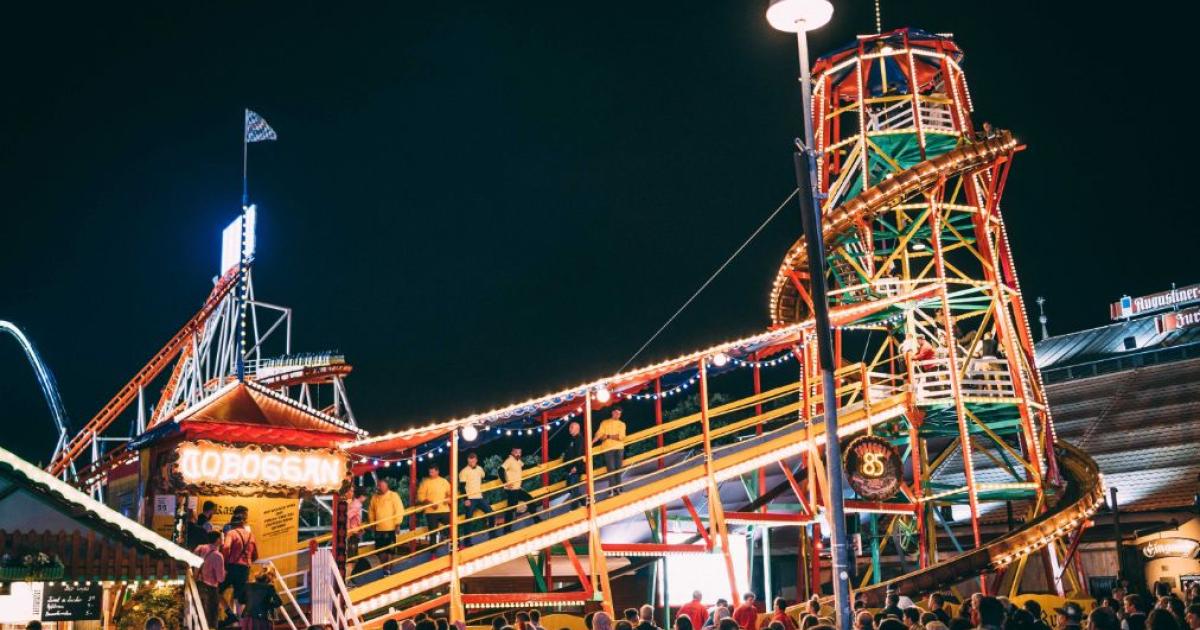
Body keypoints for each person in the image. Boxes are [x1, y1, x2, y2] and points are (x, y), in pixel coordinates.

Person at [222, 507, 258, 613]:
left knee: (218, 590)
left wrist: (225, 561)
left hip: (232, 567)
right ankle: (239, 622)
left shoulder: (231, 533)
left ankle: (230, 614)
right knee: (239, 596)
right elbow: (256, 555)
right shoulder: (251, 535)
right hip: (245, 569)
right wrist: (248, 560)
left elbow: (226, 547)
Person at [368, 478, 405, 571]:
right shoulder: (374, 497)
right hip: (378, 529)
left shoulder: (394, 495)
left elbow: (399, 510)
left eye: (381, 486)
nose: (379, 488)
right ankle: (385, 569)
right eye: (378, 486)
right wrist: (372, 523)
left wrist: (398, 524)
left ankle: (389, 569)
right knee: (380, 551)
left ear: (386, 486)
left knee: (390, 551)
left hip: (391, 528)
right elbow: (371, 511)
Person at [195, 530, 227, 628]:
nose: (223, 540)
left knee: (200, 611)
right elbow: (220, 579)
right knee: (211, 616)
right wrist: (225, 573)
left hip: (199, 584)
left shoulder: (200, 548)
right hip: (211, 588)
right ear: (217, 540)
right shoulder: (218, 556)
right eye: (222, 538)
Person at [593, 408, 627, 495]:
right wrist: (592, 442)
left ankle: (618, 488)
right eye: (616, 412)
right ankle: (613, 489)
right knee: (611, 469)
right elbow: (599, 435)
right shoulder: (604, 422)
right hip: (608, 448)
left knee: (618, 469)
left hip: (619, 448)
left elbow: (621, 437)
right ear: (612, 412)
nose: (617, 415)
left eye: (619, 414)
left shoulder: (622, 424)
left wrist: (607, 436)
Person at [459, 452, 495, 531]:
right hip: (470, 499)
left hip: (479, 497)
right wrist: (465, 499)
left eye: (473, 461)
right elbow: (461, 487)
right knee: (468, 520)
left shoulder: (479, 469)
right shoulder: (463, 471)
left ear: (476, 460)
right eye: (470, 461)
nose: (471, 463)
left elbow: (485, 476)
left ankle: (492, 532)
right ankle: (467, 540)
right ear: (467, 461)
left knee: (491, 513)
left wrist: (496, 477)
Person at [502, 447, 534, 531]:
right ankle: (506, 530)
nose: (518, 454)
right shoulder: (509, 460)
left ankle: (536, 519)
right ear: (512, 452)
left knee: (530, 500)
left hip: (517, 489)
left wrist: (534, 465)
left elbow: (524, 466)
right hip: (511, 490)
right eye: (516, 452)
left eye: (520, 452)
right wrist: (505, 483)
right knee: (511, 509)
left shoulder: (517, 461)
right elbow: (500, 470)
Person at [417, 467, 452, 543]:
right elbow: (420, 497)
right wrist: (430, 504)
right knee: (433, 533)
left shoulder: (444, 481)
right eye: (429, 472)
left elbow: (450, 493)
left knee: (452, 528)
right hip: (431, 512)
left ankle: (457, 545)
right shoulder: (425, 482)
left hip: (444, 510)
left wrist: (448, 499)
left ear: (437, 472)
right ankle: (433, 553)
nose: (430, 474)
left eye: (432, 472)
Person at [563, 422, 586, 505]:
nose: (570, 429)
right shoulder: (572, 439)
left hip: (576, 468)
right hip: (570, 468)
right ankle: (585, 502)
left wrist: (576, 466)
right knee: (570, 488)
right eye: (570, 427)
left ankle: (575, 508)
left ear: (577, 429)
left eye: (572, 427)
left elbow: (579, 454)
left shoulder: (579, 439)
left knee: (573, 488)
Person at [347, 489, 365, 558]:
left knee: (353, 548)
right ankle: (352, 563)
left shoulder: (354, 503)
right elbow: (348, 516)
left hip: (354, 529)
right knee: (352, 549)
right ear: (361, 496)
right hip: (353, 530)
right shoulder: (356, 505)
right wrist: (350, 529)